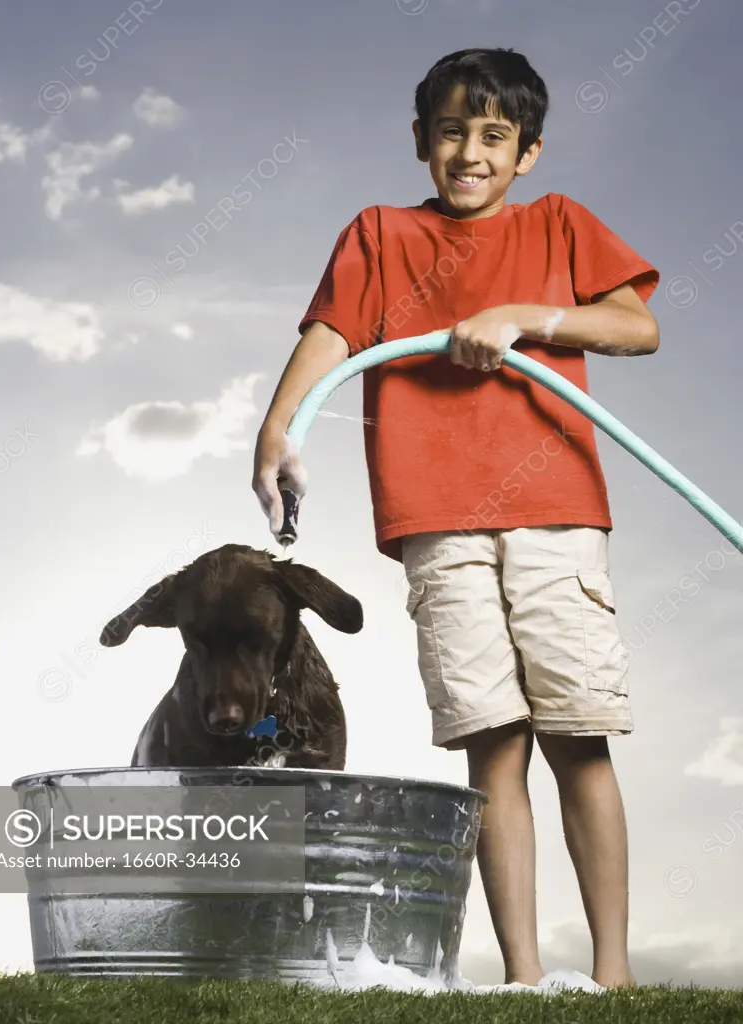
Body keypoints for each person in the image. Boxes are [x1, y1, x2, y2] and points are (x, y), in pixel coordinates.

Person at [252, 47, 659, 989]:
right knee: (493, 740)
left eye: (493, 137)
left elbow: (637, 326)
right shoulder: (380, 233)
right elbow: (331, 335)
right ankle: (524, 978)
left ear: (528, 153)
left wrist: (529, 316)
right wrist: (278, 430)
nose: (469, 153)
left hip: (556, 512)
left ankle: (616, 976)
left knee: (577, 735)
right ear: (420, 140)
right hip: (434, 519)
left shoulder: (559, 224)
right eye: (451, 132)